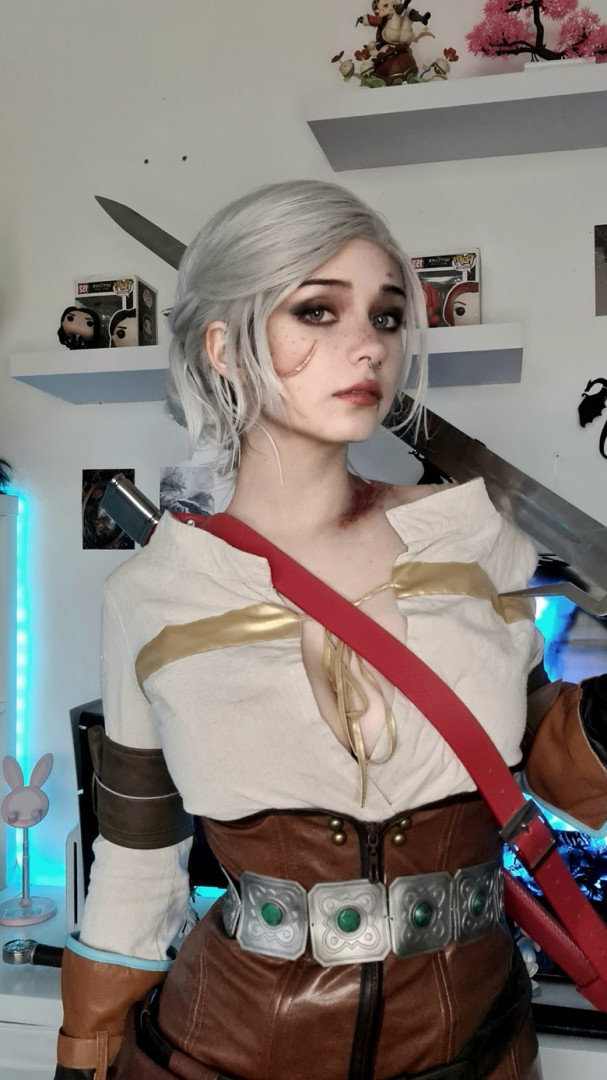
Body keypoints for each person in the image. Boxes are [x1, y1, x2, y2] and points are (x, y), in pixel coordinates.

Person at [55, 180, 607, 1080]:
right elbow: (137, 858)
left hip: (477, 1046)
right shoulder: (153, 594)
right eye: (316, 310)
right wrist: (84, 1052)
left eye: (386, 316)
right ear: (223, 347)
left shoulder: (473, 539)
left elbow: (558, 776)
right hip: (225, 1047)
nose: (367, 345)